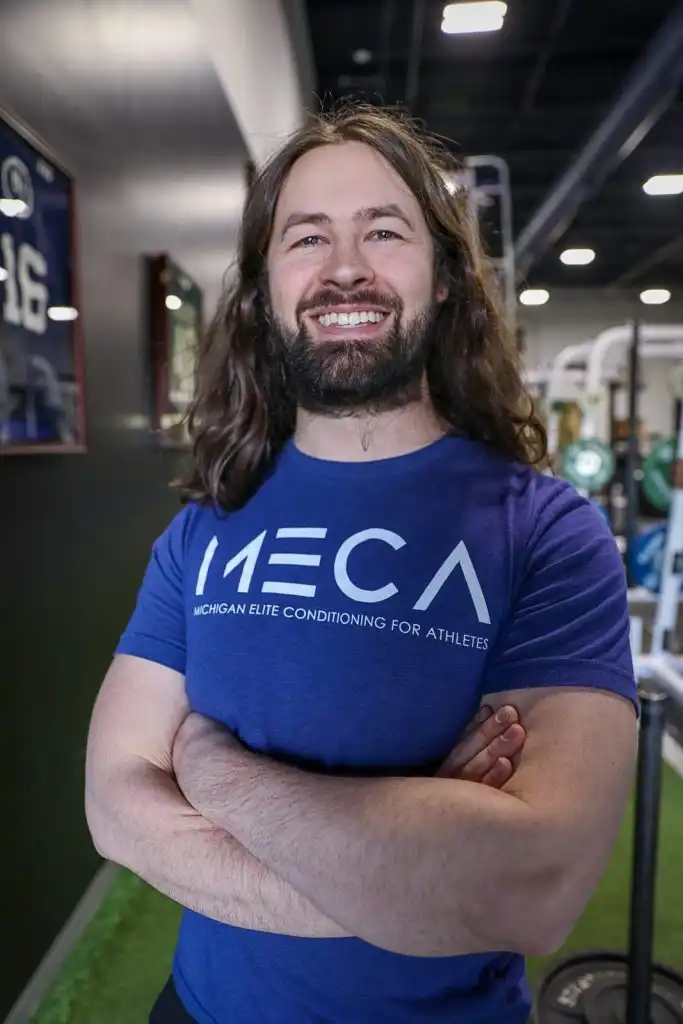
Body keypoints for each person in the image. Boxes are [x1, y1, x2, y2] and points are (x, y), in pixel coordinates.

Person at [85, 105, 639, 1024]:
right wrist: (409, 869)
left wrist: (210, 770)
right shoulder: (201, 533)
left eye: (383, 230)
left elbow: (529, 888)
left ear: (447, 279)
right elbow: (115, 806)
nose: (345, 266)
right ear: (264, 290)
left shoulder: (547, 534)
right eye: (307, 238)